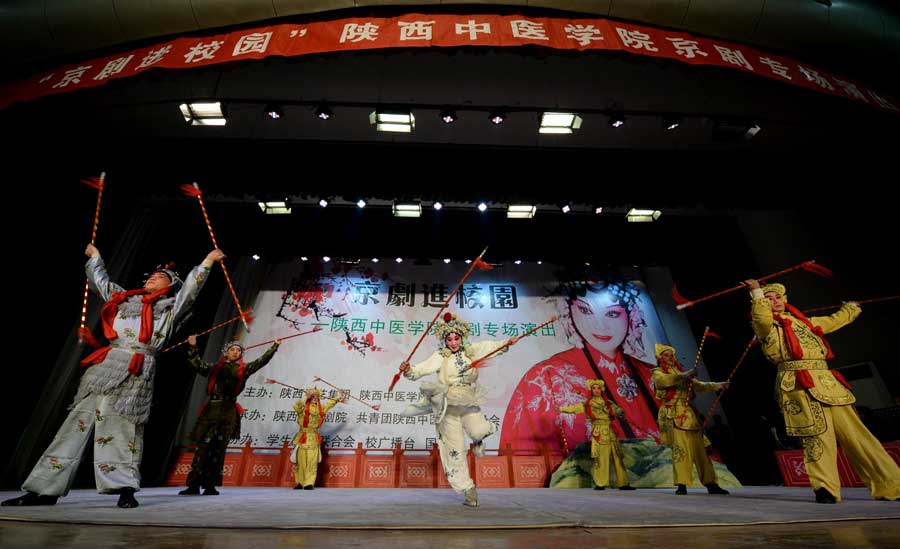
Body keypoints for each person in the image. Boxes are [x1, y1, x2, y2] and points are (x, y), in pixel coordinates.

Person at [3, 244, 223, 509]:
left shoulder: (170, 308)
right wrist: (96, 258)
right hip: (106, 366)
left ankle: (125, 489)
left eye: (161, 276)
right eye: (151, 275)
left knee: (123, 429)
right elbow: (101, 283)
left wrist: (208, 261)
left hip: (137, 367)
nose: (153, 277)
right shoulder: (123, 298)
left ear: (170, 284)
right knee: (73, 426)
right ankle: (43, 489)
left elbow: (191, 289)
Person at [745, 279, 900, 503]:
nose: (774, 301)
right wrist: (755, 291)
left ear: (785, 300)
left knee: (858, 436)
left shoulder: (807, 323)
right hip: (798, 384)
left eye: (778, 297)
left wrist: (851, 308)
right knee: (816, 437)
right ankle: (825, 488)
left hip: (828, 383)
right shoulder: (765, 327)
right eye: (768, 299)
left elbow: (833, 320)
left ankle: (890, 483)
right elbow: (760, 317)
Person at [501, 280, 660, 455]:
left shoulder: (653, 375)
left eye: (613, 314)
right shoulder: (544, 377)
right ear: (569, 312)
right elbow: (523, 455)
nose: (600, 325)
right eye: (585, 310)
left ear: (631, 314)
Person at [399, 312, 518, 507]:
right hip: (447, 404)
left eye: (456, 338)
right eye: (449, 339)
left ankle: (478, 440)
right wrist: (408, 370)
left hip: (468, 399)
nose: (453, 343)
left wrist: (507, 342)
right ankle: (468, 489)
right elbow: (420, 369)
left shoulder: (471, 351)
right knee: (455, 449)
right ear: (444, 340)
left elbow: (491, 347)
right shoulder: (440, 356)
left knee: (479, 430)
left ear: (461, 337)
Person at [179, 337, 281, 495]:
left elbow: (261, 361)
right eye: (233, 349)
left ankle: (210, 485)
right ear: (226, 353)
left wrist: (275, 346)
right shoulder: (214, 368)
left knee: (218, 450)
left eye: (239, 350)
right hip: (211, 410)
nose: (236, 352)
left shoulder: (243, 369)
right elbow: (197, 364)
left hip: (228, 412)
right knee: (202, 449)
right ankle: (193, 485)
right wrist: (193, 347)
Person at [652, 344, 730, 495]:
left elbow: (699, 385)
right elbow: (663, 382)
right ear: (660, 358)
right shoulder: (658, 372)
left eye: (672, 355)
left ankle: (711, 483)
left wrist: (717, 386)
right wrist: (684, 374)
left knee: (700, 451)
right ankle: (682, 485)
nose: (671, 358)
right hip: (672, 414)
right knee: (681, 451)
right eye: (667, 355)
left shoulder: (681, 372)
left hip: (688, 415)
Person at [558, 379, 636, 490]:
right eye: (594, 388)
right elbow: (575, 408)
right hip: (599, 431)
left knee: (618, 457)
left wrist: (620, 411)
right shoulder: (589, 403)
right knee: (601, 458)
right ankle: (601, 483)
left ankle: (623, 483)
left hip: (610, 431)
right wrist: (561, 409)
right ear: (591, 390)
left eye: (598, 388)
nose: (596, 390)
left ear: (602, 389)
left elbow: (616, 409)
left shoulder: (608, 402)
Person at [292, 387, 348, 490]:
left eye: (316, 396)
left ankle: (309, 483)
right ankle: (299, 482)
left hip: (313, 438)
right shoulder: (303, 408)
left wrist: (339, 395)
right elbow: (296, 406)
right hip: (302, 437)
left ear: (318, 397)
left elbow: (330, 403)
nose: (314, 398)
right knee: (300, 462)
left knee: (312, 462)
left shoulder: (321, 408)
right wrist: (305, 397)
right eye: (312, 396)